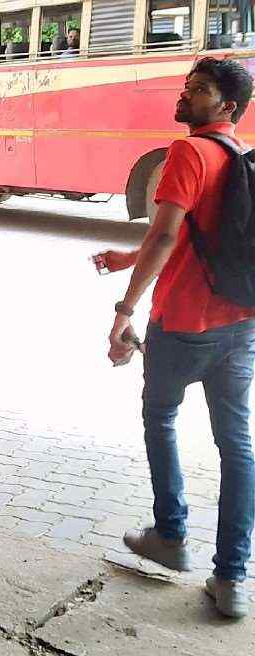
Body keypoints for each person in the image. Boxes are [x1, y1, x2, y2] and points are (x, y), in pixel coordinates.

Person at [97, 57, 255, 619]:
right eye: (188, 85)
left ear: (227, 107)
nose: (186, 94)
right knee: (236, 448)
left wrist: (124, 309)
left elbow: (165, 234)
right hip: (240, 325)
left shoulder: (189, 152)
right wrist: (123, 260)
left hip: (183, 325)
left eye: (201, 90)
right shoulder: (239, 157)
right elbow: (193, 237)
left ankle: (171, 534)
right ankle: (232, 579)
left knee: (160, 416)